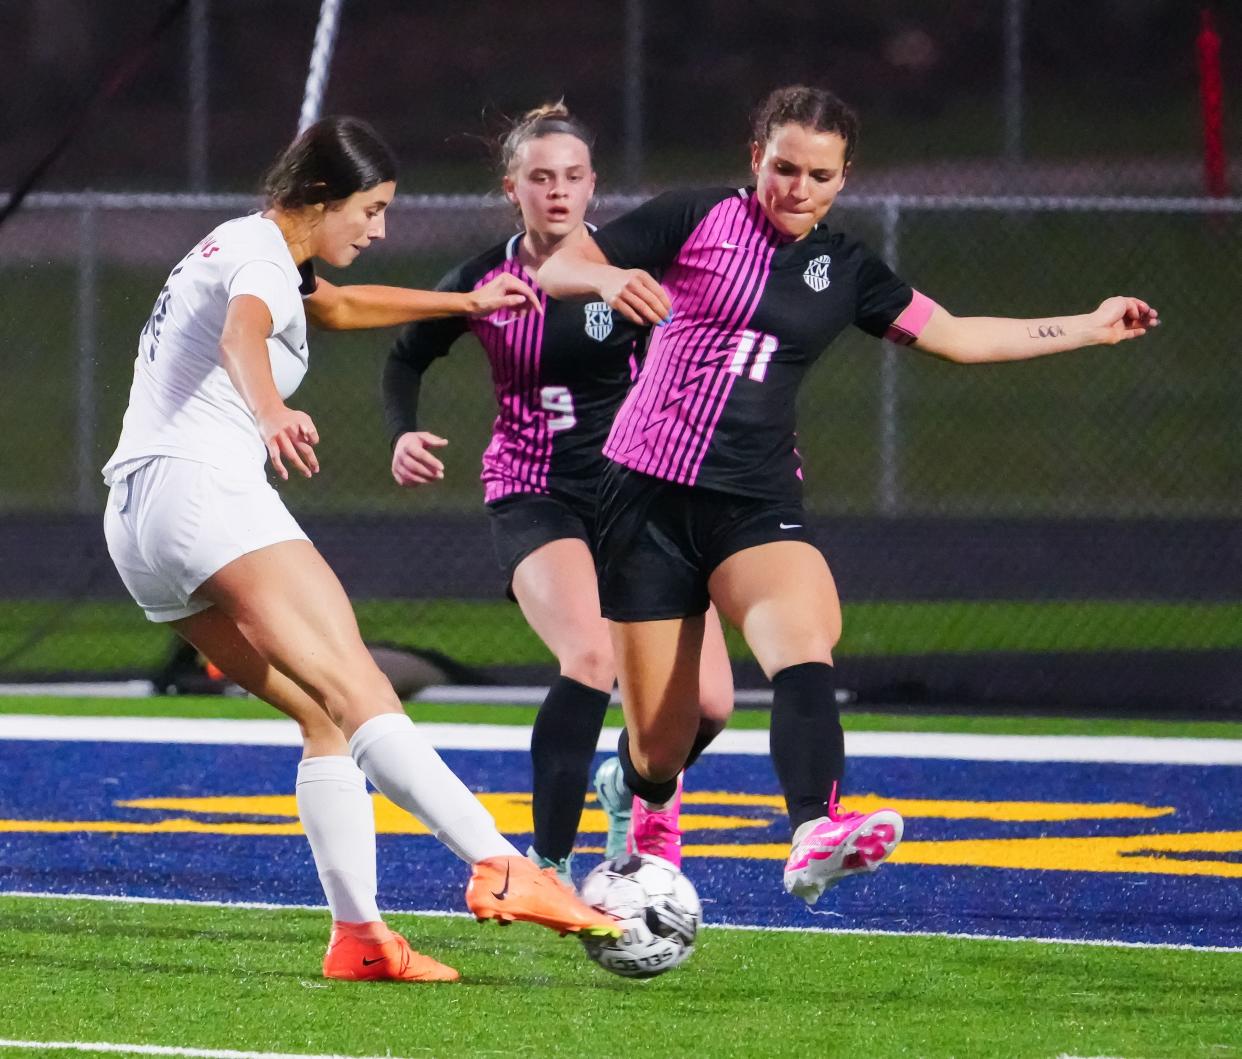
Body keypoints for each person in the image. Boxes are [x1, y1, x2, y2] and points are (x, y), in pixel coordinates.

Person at [538, 85, 1160, 906]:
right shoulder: (693, 216)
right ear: (754, 155)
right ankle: (635, 783)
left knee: (802, 641)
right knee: (662, 745)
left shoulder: (849, 270)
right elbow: (556, 265)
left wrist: (1088, 324)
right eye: (785, 167)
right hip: (644, 498)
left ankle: (812, 831)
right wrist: (612, 279)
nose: (799, 188)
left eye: (820, 175)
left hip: (753, 499)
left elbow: (960, 337)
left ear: (844, 178)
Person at [101, 116, 619, 984]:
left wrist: (464, 302)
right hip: (201, 489)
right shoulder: (262, 258)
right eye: (369, 211)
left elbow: (335, 307)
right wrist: (269, 410)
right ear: (317, 197)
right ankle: (502, 864)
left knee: (323, 715)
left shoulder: (247, 247)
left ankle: (361, 938)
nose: (377, 231)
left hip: (135, 519)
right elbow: (242, 337)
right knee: (361, 685)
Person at [383, 103, 734, 881]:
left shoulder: (632, 277)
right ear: (513, 189)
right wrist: (402, 431)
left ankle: (632, 783)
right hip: (534, 489)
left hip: (637, 495)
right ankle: (545, 861)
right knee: (589, 654)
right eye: (541, 178)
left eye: (573, 177)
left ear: (592, 185)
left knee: (710, 703)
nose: (558, 192)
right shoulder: (484, 277)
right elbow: (408, 354)